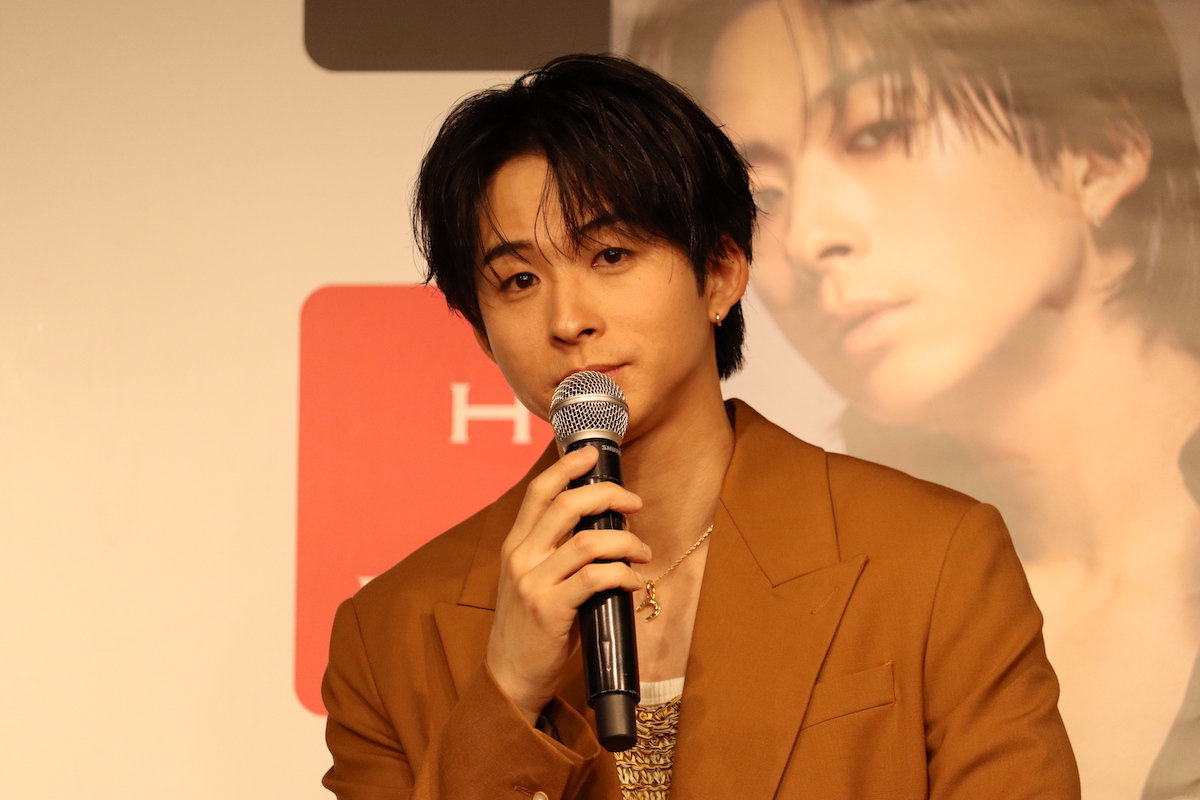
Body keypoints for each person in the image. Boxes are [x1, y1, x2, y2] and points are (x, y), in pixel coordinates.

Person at [321, 53, 1079, 799]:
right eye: (518, 280)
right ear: (483, 333)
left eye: (610, 254)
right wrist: (507, 694)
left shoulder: (934, 559)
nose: (569, 319)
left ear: (720, 273)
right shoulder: (386, 636)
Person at [628, 0, 1200, 797]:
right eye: (765, 194)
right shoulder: (857, 587)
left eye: (877, 133)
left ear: (1102, 150)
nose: (806, 238)